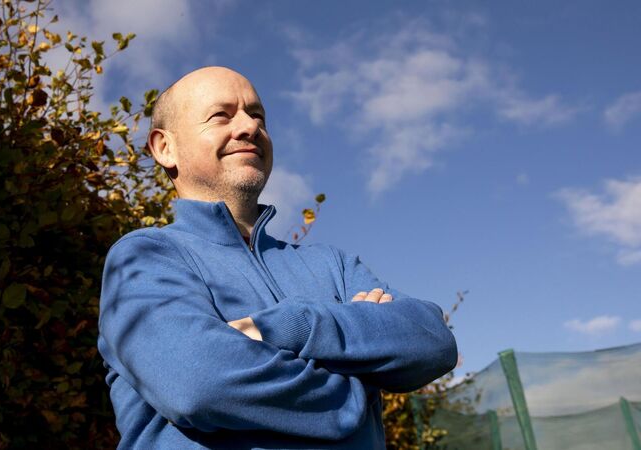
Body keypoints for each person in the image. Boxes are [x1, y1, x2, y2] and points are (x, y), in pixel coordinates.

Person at [97, 66, 458, 449]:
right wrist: (357, 389)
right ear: (165, 148)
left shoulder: (331, 264)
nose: (249, 127)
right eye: (221, 115)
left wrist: (290, 326)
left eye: (257, 116)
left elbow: (433, 341)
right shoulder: (144, 257)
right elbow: (200, 384)